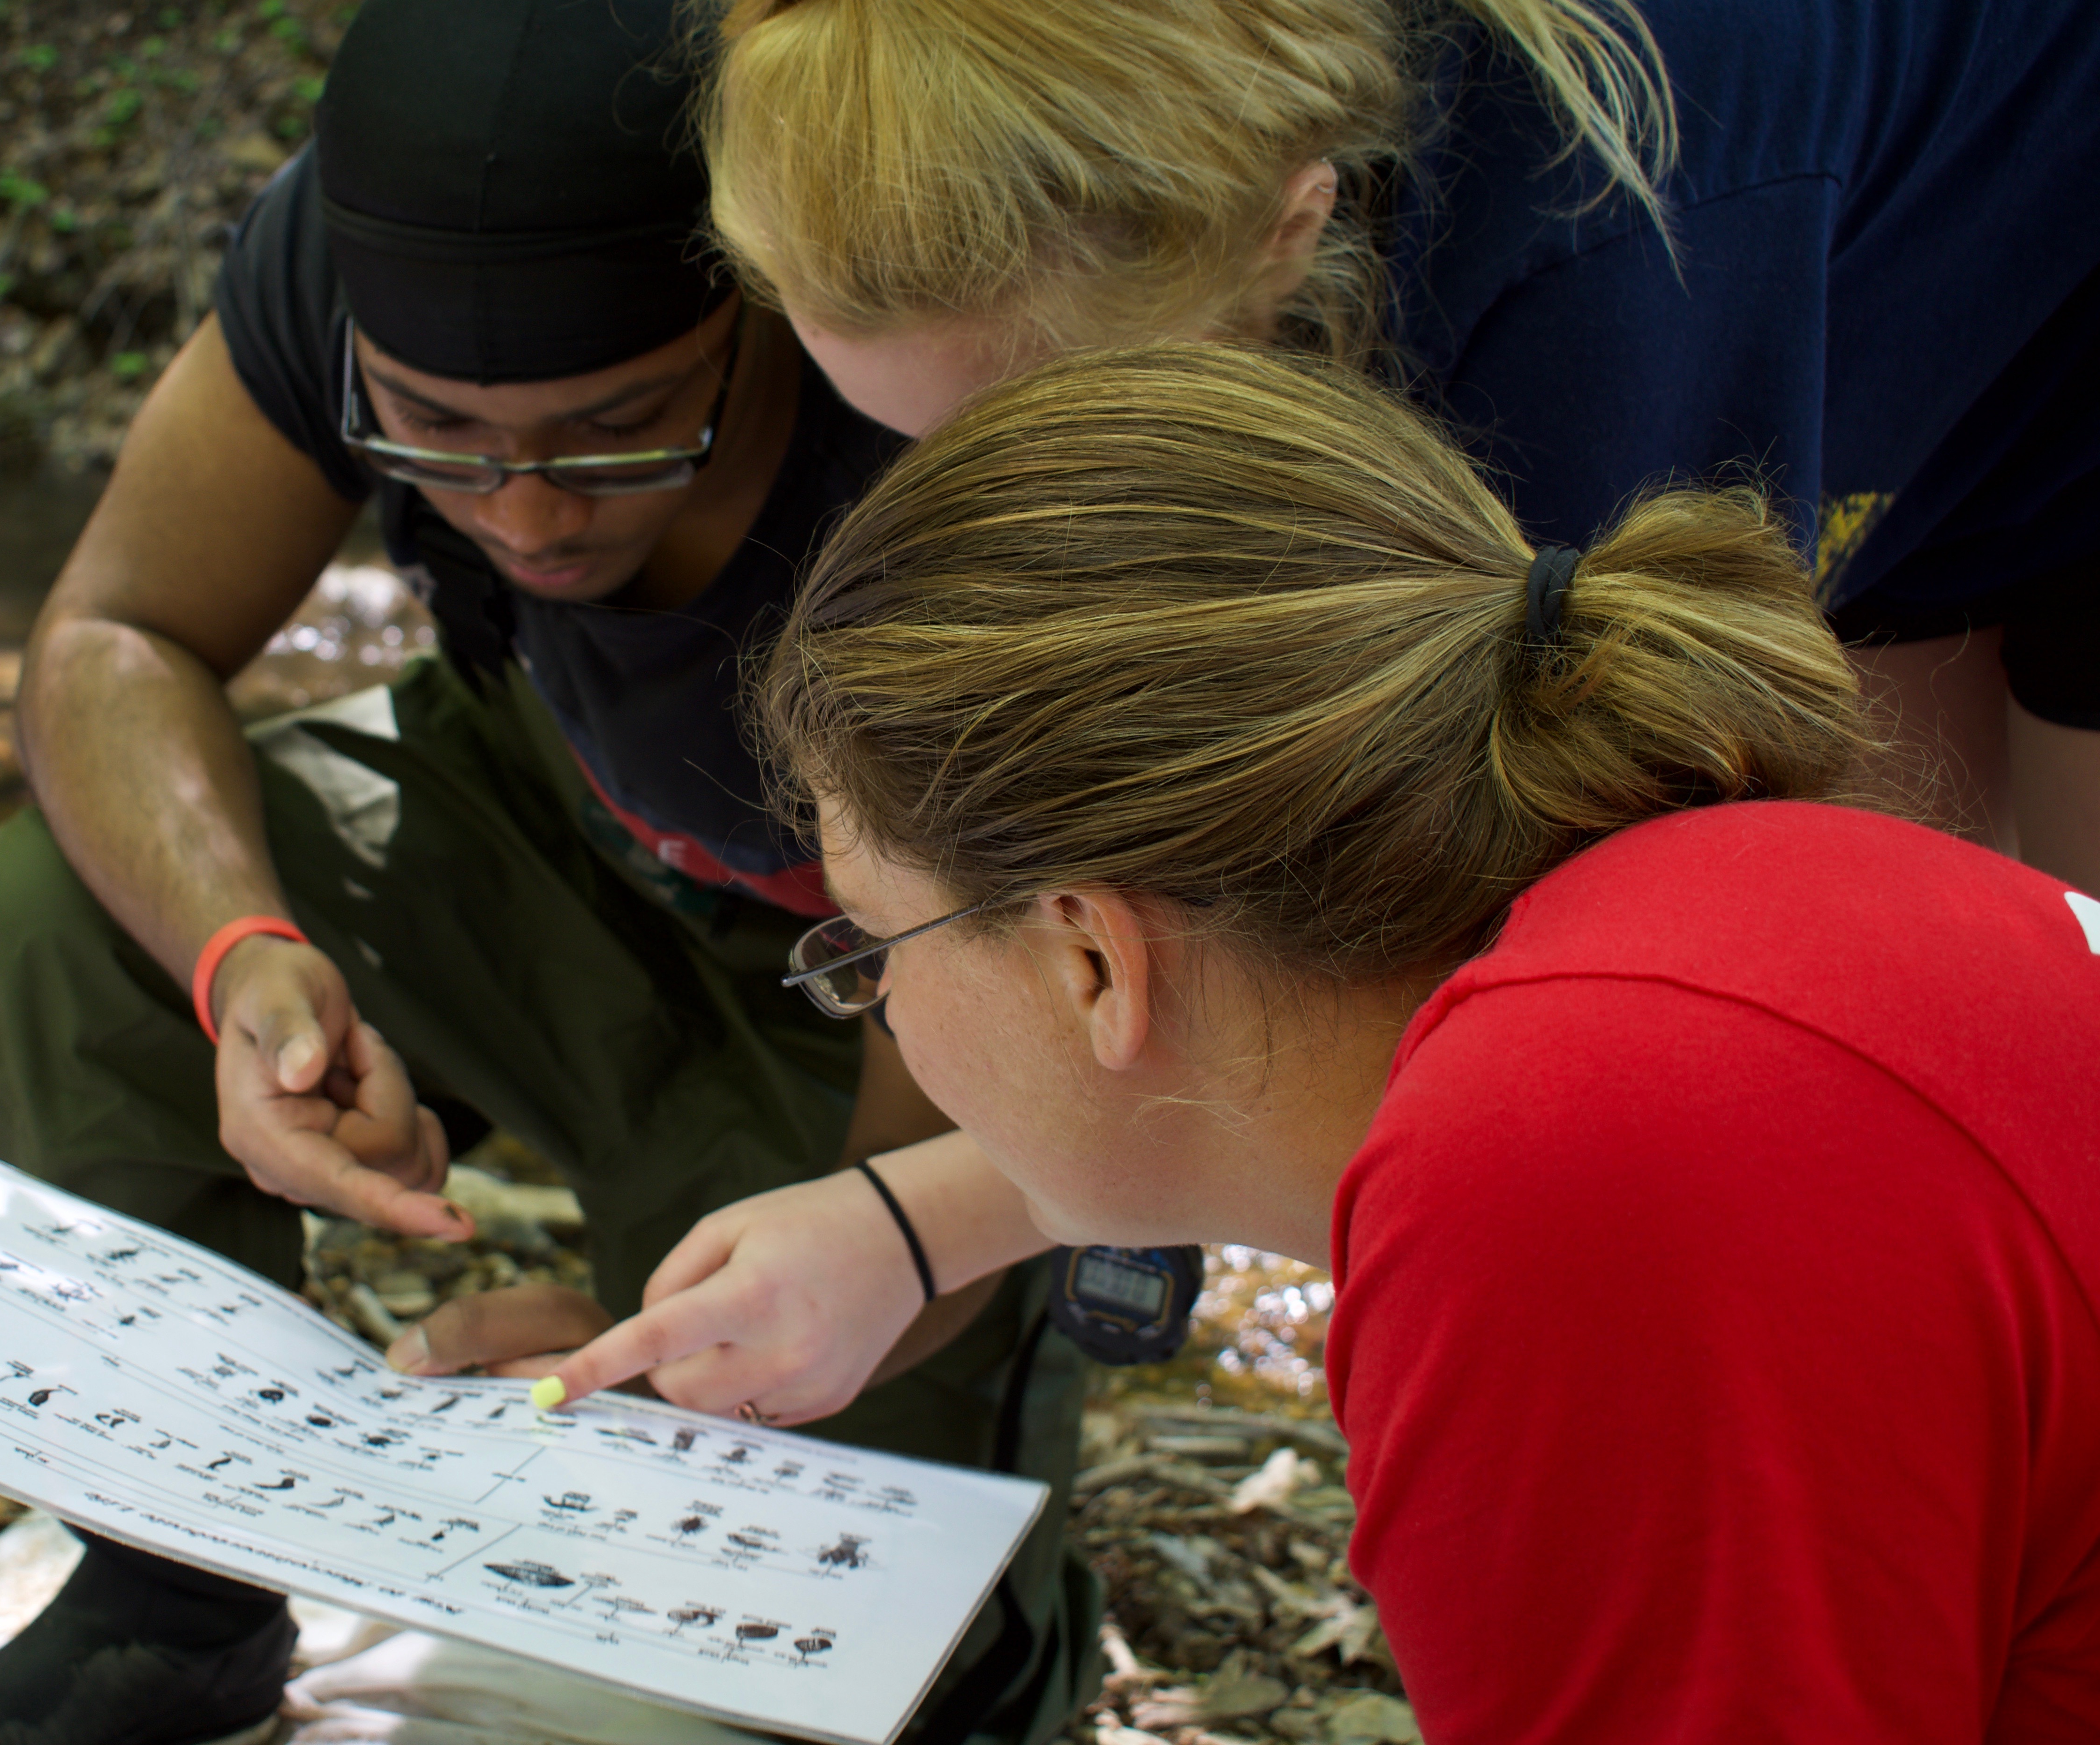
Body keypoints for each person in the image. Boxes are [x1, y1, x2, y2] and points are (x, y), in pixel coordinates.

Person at [0, 0, 1104, 1745]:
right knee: (28, 943)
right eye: (436, 439)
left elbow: (1011, 1051)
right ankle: (171, 1601)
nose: (531, 518)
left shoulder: (925, 377)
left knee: (834, 1551)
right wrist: (242, 953)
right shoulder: (331, 261)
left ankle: (978, 1672)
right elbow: (115, 637)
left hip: (908, 965)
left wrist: (691, 1340)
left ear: (763, 294)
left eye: (619, 431)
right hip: (543, 812)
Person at [547, 345, 2100, 1739]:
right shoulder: (1696, 928)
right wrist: (904, 1227)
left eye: (874, 947)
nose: (879, 1000)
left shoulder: (1555, 1172)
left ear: (1092, 953)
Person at [683, 0, 2100, 892]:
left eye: (1062, 421)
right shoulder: (1173, 19)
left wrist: (934, 1218)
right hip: (1905, 341)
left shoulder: (1584, 260)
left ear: (1293, 233)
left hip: (2040, 288)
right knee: (1921, 900)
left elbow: (1590, 824)